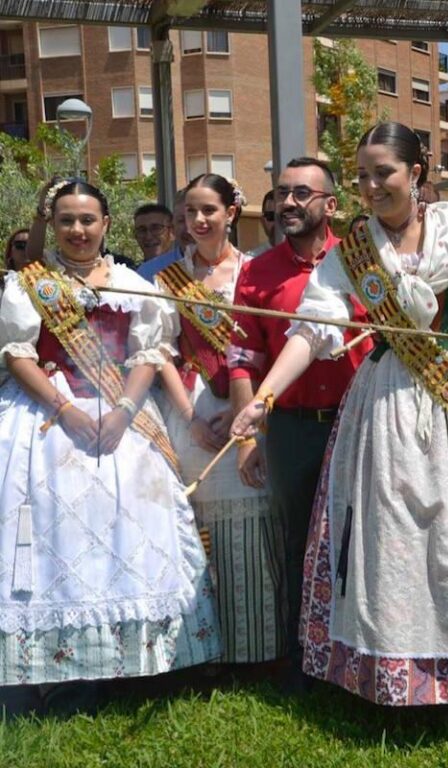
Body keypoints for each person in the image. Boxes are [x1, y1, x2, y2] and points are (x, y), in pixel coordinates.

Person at [231, 122, 448, 709]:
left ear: (415, 174)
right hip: (388, 401)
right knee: (392, 539)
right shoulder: (356, 252)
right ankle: (396, 679)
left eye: (383, 173)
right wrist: (264, 398)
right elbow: (314, 328)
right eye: (363, 176)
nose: (371, 186)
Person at [0, 179, 220, 717]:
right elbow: (17, 354)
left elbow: (150, 352)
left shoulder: (129, 282)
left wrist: (124, 411)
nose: (78, 230)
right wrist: (65, 409)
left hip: (121, 417)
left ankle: (136, 665)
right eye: (67, 220)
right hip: (49, 421)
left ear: (106, 225)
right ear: (52, 226)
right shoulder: (30, 284)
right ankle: (49, 672)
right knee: (55, 537)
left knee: (130, 532)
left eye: (88, 220)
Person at [229, 157, 372, 690]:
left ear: (330, 204)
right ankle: (305, 663)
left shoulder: (364, 261)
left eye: (301, 194)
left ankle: (361, 660)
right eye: (281, 193)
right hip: (290, 428)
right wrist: (250, 439)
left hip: (359, 424)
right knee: (297, 544)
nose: (287, 203)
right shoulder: (257, 272)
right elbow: (242, 357)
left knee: (362, 539)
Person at [155, 174, 283, 666]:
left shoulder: (255, 272)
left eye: (209, 209)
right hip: (193, 409)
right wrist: (189, 419)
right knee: (199, 521)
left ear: (232, 212)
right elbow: (158, 351)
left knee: (252, 516)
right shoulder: (169, 280)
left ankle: (258, 647)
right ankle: (206, 648)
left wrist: (243, 408)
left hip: (249, 404)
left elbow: (265, 344)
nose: (200, 220)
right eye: (190, 212)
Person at [138, 191, 194, 281]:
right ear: (173, 226)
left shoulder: (223, 268)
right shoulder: (148, 272)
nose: (188, 230)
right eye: (181, 220)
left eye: (156, 228)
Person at [246, 190, 276, 258]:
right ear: (263, 221)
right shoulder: (251, 260)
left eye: (283, 216)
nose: (278, 222)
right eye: (271, 216)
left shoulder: (304, 257)